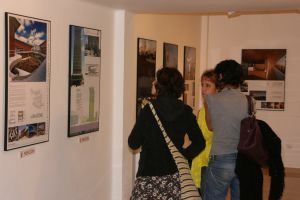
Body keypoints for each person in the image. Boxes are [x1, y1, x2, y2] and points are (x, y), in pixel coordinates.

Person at [128, 67, 205, 199]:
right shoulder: (185, 111)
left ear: (160, 86)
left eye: (156, 81)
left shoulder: (149, 109)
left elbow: (133, 143)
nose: (153, 83)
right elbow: (200, 142)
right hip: (174, 178)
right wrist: (185, 154)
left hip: (148, 178)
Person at [202, 59, 248, 200]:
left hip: (221, 157)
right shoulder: (248, 100)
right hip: (243, 158)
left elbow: (211, 126)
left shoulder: (212, 99)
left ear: (221, 76)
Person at [191, 69, 218, 195]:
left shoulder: (217, 109)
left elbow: (209, 133)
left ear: (217, 89)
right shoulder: (202, 110)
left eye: (208, 85)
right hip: (199, 161)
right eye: (202, 85)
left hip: (210, 163)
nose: (203, 90)